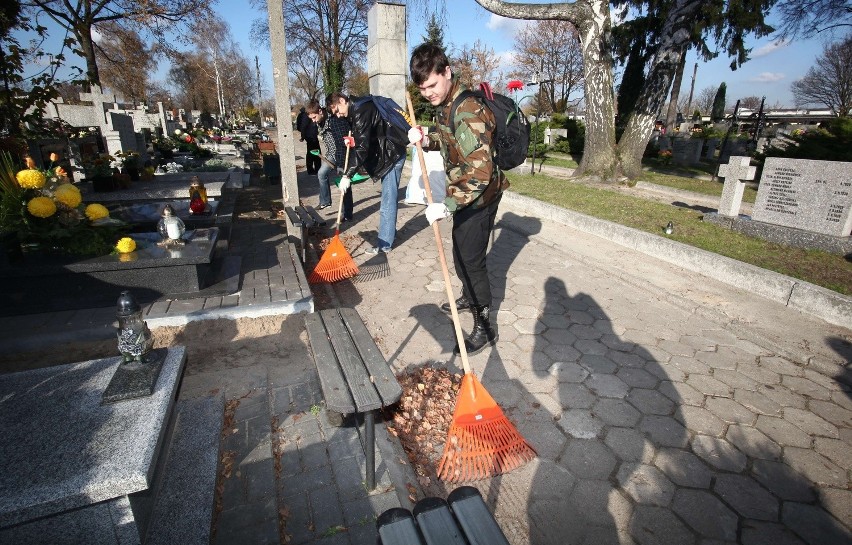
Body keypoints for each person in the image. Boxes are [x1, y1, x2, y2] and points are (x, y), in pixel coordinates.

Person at [409, 43, 509, 355]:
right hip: (465, 194)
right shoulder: (448, 104)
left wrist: (447, 204)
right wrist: (426, 137)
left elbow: (480, 171)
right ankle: (469, 294)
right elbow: (451, 139)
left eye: (432, 85)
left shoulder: (467, 110)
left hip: (479, 196)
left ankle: (485, 325)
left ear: (447, 72)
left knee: (470, 261)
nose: (428, 93)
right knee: (461, 253)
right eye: (423, 88)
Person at [328, 91, 409, 253]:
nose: (338, 115)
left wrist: (347, 175)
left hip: (392, 155)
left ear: (342, 100)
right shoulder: (359, 107)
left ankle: (384, 244)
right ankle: (388, 236)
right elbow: (369, 134)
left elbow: (362, 149)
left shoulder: (360, 110)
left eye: (337, 110)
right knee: (388, 199)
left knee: (387, 201)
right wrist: (354, 140)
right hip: (389, 152)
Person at [305, 98, 351, 212]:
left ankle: (347, 212)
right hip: (331, 153)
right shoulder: (320, 122)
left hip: (341, 154)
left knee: (344, 182)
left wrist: (343, 160)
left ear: (320, 111)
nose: (313, 121)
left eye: (314, 117)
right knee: (321, 173)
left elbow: (343, 138)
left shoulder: (333, 120)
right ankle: (325, 202)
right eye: (311, 119)